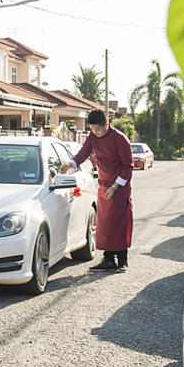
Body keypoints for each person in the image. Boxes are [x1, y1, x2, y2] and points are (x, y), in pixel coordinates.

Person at [62, 109, 133, 272]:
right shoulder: (93, 137)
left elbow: (127, 167)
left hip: (119, 187)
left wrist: (115, 187)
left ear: (106, 124)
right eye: (92, 129)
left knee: (119, 223)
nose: (95, 133)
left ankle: (122, 260)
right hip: (103, 185)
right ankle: (108, 259)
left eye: (98, 129)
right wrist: (70, 164)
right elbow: (83, 154)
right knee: (105, 223)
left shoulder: (120, 139)